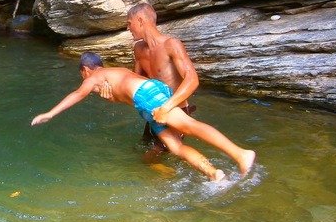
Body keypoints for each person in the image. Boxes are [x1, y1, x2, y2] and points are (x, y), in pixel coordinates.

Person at [32, 52, 256, 181]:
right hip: (147, 98)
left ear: (86, 70)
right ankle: (214, 174)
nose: (85, 80)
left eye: (83, 75)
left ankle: (241, 154)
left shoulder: (93, 77)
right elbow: (124, 91)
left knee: (189, 125)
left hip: (146, 96)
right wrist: (113, 99)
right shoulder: (113, 72)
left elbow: (78, 94)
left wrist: (50, 113)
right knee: (175, 147)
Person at [101, 1, 200, 151]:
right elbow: (134, 85)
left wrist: (166, 108)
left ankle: (214, 173)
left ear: (140, 20)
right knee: (140, 152)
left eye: (129, 23)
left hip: (174, 111)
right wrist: (113, 95)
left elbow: (192, 80)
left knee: (152, 159)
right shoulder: (138, 49)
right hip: (154, 113)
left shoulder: (171, 45)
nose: (128, 28)